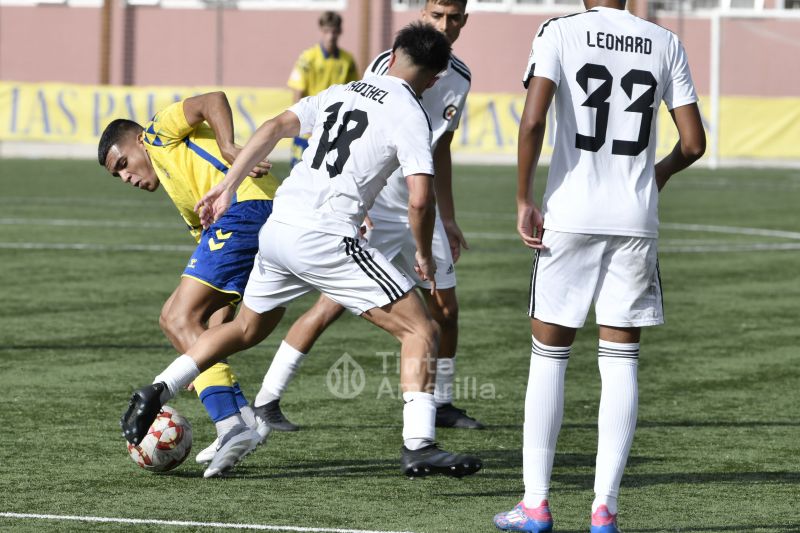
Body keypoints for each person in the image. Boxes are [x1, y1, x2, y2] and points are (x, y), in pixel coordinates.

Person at [121, 22, 483, 479]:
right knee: (420, 329)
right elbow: (419, 198)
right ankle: (420, 444)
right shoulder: (411, 112)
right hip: (327, 237)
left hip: (278, 230)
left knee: (246, 328)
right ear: (432, 79)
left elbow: (274, 126)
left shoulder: (341, 90)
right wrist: (426, 258)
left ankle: (159, 388)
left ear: (391, 56)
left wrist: (229, 185)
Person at [493, 1, 705, 531]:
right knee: (621, 361)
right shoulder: (665, 40)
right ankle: (604, 510)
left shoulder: (559, 32)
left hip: (571, 212)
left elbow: (534, 118)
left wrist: (523, 198)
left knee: (549, 355)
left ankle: (536, 504)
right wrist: (658, 173)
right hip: (634, 218)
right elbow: (695, 143)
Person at [252, 0, 483, 434]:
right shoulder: (386, 64)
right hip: (377, 207)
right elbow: (362, 131)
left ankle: (442, 404)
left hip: (423, 209)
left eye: (453, 18)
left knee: (446, 309)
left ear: (464, 20)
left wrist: (448, 218)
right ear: (423, 13)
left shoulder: (461, 78)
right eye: (436, 15)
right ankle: (267, 398)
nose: (444, 25)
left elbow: (441, 149)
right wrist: (361, 208)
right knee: (330, 306)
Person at [98, 91, 280, 478]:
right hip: (257, 218)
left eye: (124, 163)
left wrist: (230, 147)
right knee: (206, 332)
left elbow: (212, 100)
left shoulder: (157, 132)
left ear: (137, 141)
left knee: (174, 318)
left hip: (247, 208)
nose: (126, 177)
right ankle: (244, 420)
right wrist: (204, 366)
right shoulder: (181, 190)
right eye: (118, 176)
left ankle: (232, 424)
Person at [287, 10, 359, 169]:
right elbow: (297, 92)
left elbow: (355, 92)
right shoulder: (308, 58)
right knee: (298, 172)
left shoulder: (348, 61)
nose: (330, 36)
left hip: (334, 128)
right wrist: (301, 125)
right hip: (309, 127)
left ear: (340, 31)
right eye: (327, 31)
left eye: (334, 31)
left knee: (328, 175)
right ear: (321, 30)